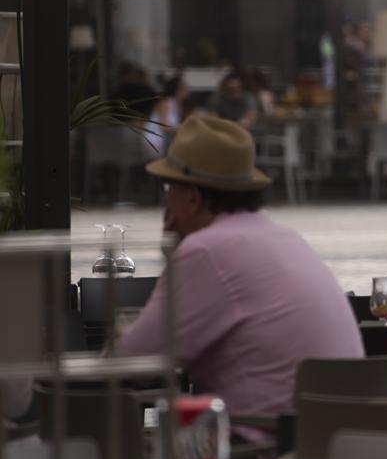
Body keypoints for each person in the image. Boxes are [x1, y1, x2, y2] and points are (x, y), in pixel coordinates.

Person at [111, 116, 363, 417]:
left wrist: (176, 254)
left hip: (263, 449)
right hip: (328, 441)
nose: (165, 203)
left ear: (192, 199)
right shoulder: (283, 237)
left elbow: (130, 362)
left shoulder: (206, 251)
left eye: (169, 189)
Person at [146, 74, 188, 158]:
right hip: (156, 140)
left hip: (167, 139)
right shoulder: (166, 103)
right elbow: (164, 126)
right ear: (178, 90)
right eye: (185, 87)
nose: (188, 90)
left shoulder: (178, 105)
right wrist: (182, 128)